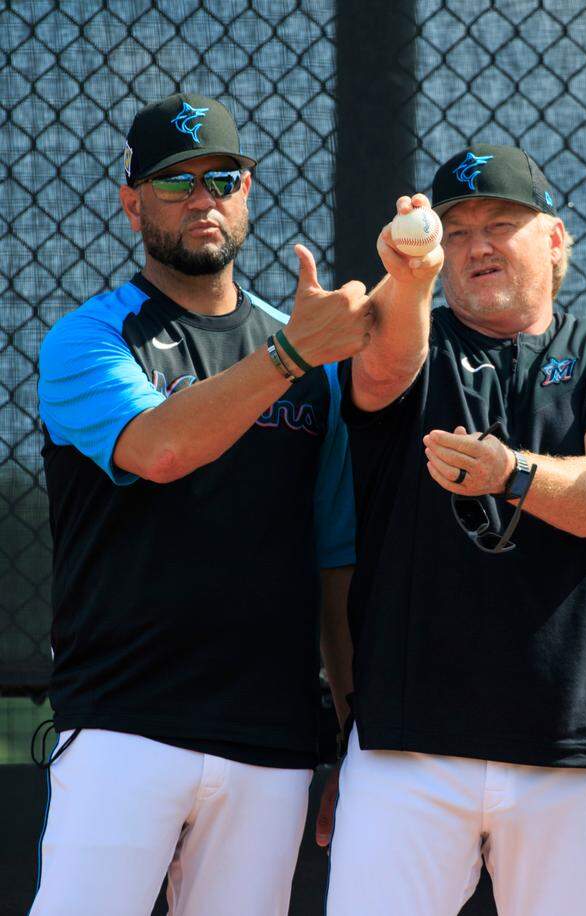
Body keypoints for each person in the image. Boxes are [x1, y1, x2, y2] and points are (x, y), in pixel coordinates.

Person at [30, 92, 437, 915]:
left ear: (246, 191)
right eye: (175, 183)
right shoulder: (91, 339)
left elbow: (333, 560)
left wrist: (349, 734)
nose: (202, 197)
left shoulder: (303, 356)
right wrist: (292, 353)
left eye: (222, 177)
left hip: (270, 736)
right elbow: (161, 447)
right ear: (132, 200)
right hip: (123, 724)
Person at [319, 144, 586, 915]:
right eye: (458, 229)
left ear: (553, 240)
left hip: (568, 749)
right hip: (408, 749)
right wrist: (409, 278)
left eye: (502, 222)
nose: (477, 244)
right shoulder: (417, 338)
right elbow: (382, 373)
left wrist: (509, 473)